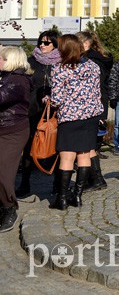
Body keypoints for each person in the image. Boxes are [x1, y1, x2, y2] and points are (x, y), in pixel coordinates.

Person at [48, 35, 103, 210]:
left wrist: (48, 99)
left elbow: (57, 99)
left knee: (67, 156)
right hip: (91, 115)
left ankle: (62, 199)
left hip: (70, 116)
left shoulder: (59, 68)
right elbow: (96, 91)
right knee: (84, 155)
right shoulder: (93, 66)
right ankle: (77, 196)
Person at [17, 30, 61, 198]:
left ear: (55, 45)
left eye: (46, 43)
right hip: (32, 110)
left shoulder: (61, 63)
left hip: (54, 112)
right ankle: (25, 183)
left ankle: (57, 184)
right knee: (28, 147)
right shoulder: (30, 62)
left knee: (55, 146)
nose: (42, 45)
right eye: (40, 42)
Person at [0, 47, 33, 232]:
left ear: (11, 60)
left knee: (3, 171)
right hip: (3, 129)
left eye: (2, 58)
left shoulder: (18, 81)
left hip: (12, 132)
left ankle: (9, 208)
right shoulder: (6, 77)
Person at [76, 31, 112, 191]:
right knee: (89, 146)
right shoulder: (98, 58)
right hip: (96, 105)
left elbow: (96, 87)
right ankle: (95, 179)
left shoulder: (90, 61)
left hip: (91, 106)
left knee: (87, 145)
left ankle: (94, 179)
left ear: (85, 44)